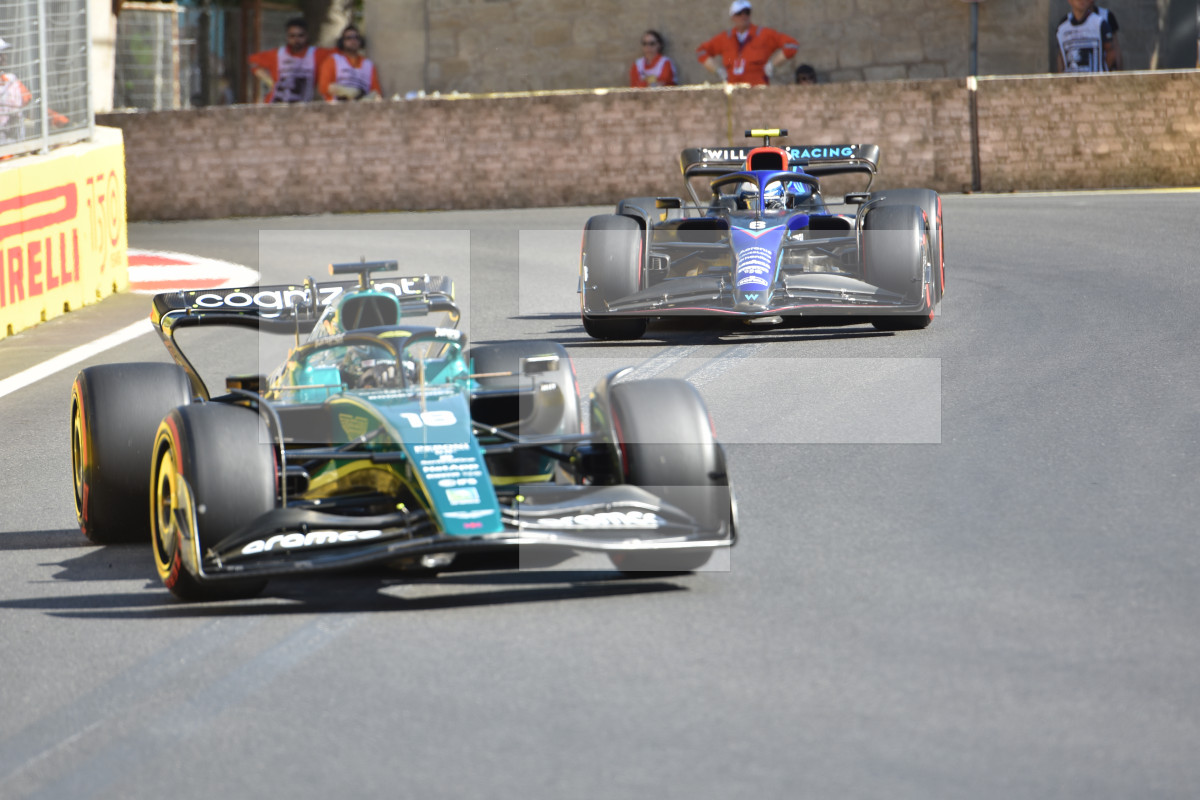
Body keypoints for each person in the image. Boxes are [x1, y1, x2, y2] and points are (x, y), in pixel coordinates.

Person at [696, 0, 799, 86]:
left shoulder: (763, 34)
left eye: (747, 12)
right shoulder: (725, 38)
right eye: (739, 13)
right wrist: (718, 71)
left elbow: (791, 45)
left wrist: (772, 65)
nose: (743, 16)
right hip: (732, 91)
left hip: (758, 90)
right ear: (732, 17)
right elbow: (701, 52)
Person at [247, 17, 331, 103]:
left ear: (307, 36)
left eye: (300, 36)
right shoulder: (278, 54)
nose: (296, 40)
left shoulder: (316, 54)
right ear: (287, 37)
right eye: (292, 36)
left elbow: (336, 55)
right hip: (276, 103)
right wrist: (269, 81)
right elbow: (252, 61)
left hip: (302, 104)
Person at [317, 25, 383, 102]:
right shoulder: (333, 60)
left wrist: (368, 98)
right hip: (338, 104)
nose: (353, 40)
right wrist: (344, 91)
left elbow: (376, 93)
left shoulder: (368, 65)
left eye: (356, 37)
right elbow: (323, 87)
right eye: (349, 38)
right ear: (342, 42)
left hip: (362, 104)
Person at [1055, 0, 1122, 73]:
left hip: (1096, 77)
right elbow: (1061, 56)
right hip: (1072, 77)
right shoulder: (1063, 28)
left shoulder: (1101, 22)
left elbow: (1112, 51)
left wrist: (1104, 73)